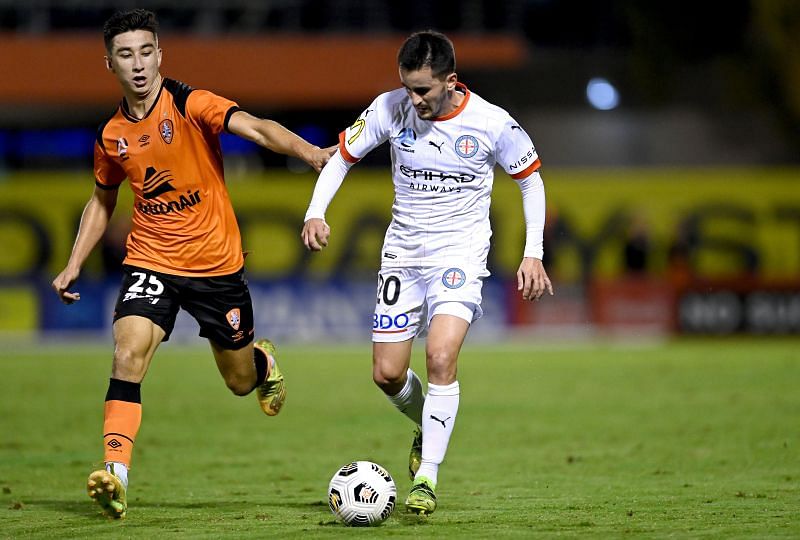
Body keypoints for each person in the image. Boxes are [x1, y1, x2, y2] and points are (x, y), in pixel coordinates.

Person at [51, 9, 334, 519]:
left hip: (216, 268)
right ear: (109, 63)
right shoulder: (111, 134)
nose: (137, 64)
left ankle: (262, 362)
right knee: (127, 355)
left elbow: (257, 128)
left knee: (239, 382)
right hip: (150, 260)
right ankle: (116, 477)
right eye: (125, 54)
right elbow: (101, 200)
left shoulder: (189, 102)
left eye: (145, 51)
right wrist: (74, 263)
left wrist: (310, 153)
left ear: (160, 54)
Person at [301, 30, 553, 515]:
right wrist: (316, 212)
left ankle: (426, 477)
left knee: (440, 356)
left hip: (459, 254)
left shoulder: (492, 123)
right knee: (387, 374)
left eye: (422, 90)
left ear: (451, 81)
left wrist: (533, 252)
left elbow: (530, 180)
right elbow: (342, 160)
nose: (413, 99)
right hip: (403, 254)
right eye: (407, 87)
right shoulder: (387, 108)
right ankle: (429, 421)